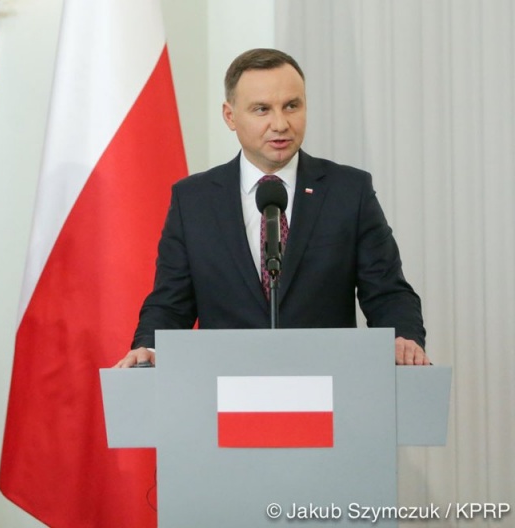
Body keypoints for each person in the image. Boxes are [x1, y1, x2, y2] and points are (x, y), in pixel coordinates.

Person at [116, 48, 429, 368]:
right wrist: (149, 349)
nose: (280, 123)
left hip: (327, 388)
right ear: (230, 116)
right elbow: (170, 305)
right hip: (226, 391)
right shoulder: (194, 200)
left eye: (292, 106)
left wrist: (403, 339)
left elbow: (388, 293)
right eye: (262, 109)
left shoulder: (347, 191)